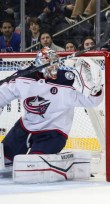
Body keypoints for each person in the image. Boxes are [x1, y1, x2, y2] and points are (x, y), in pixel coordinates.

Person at [0, 47, 103, 179]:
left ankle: (70, 164)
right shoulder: (23, 77)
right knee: (4, 162)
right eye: (50, 64)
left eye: (56, 63)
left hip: (53, 132)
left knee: (31, 168)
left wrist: (96, 89)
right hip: (25, 128)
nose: (54, 69)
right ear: (39, 64)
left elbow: (92, 101)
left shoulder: (67, 81)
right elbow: (2, 95)